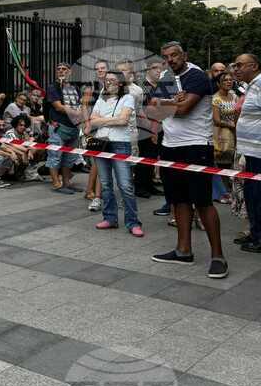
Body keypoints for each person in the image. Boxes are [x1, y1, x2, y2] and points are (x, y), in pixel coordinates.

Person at [149, 42, 226, 279]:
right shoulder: (166, 77)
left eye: (174, 55)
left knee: (203, 202)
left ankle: (218, 257)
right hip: (170, 145)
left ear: (185, 55)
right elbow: (151, 110)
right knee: (179, 200)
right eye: (166, 57)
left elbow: (184, 110)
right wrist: (174, 101)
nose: (171, 60)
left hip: (196, 146)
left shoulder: (197, 76)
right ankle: (183, 251)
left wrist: (168, 104)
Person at [87, 72, 143, 236]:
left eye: (112, 80)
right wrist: (112, 120)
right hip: (101, 143)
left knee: (125, 185)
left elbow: (123, 120)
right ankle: (110, 218)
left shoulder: (127, 98)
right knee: (105, 184)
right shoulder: (100, 99)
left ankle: (133, 222)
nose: (108, 82)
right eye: (106, 80)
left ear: (120, 83)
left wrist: (102, 120)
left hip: (120, 144)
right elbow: (92, 121)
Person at [233, 53, 261, 254]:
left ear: (254, 66)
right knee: (251, 194)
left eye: (240, 65)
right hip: (250, 151)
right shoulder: (250, 86)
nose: (236, 69)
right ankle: (255, 231)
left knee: (258, 195)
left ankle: (259, 238)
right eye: (235, 65)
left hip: (259, 152)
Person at [45, 62, 85, 194]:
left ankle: (67, 183)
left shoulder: (75, 88)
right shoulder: (53, 87)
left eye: (64, 69)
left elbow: (80, 104)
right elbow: (58, 107)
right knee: (55, 156)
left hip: (73, 128)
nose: (61, 71)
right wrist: (78, 113)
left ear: (70, 72)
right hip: (58, 127)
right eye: (59, 69)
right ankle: (57, 184)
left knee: (70, 157)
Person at [83, 59, 110, 211]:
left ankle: (95, 190)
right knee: (96, 160)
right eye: (97, 68)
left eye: (102, 68)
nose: (100, 70)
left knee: (101, 159)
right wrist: (87, 124)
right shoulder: (91, 86)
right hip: (94, 127)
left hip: (107, 126)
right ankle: (90, 190)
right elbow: (84, 106)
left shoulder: (111, 84)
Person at [136, 60, 165, 200]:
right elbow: (140, 109)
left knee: (153, 157)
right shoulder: (142, 86)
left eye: (160, 68)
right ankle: (140, 186)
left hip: (159, 126)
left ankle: (149, 184)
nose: (158, 71)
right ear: (148, 69)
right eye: (155, 68)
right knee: (144, 157)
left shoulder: (160, 87)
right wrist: (150, 128)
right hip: (145, 128)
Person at [212, 71, 237, 204]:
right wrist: (230, 124)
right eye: (225, 80)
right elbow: (216, 120)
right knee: (221, 159)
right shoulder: (216, 98)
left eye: (230, 80)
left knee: (232, 160)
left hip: (234, 132)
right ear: (218, 84)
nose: (229, 82)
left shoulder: (234, 95)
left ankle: (229, 191)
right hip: (221, 132)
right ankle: (222, 192)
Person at [3, 115, 43, 182]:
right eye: (20, 125)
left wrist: (30, 146)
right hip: (10, 153)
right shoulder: (10, 133)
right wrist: (28, 151)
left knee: (39, 148)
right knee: (26, 152)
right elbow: (15, 146)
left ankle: (30, 172)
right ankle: (19, 174)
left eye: (24, 125)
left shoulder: (24, 133)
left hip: (22, 151)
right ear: (16, 125)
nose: (23, 127)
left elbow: (29, 144)